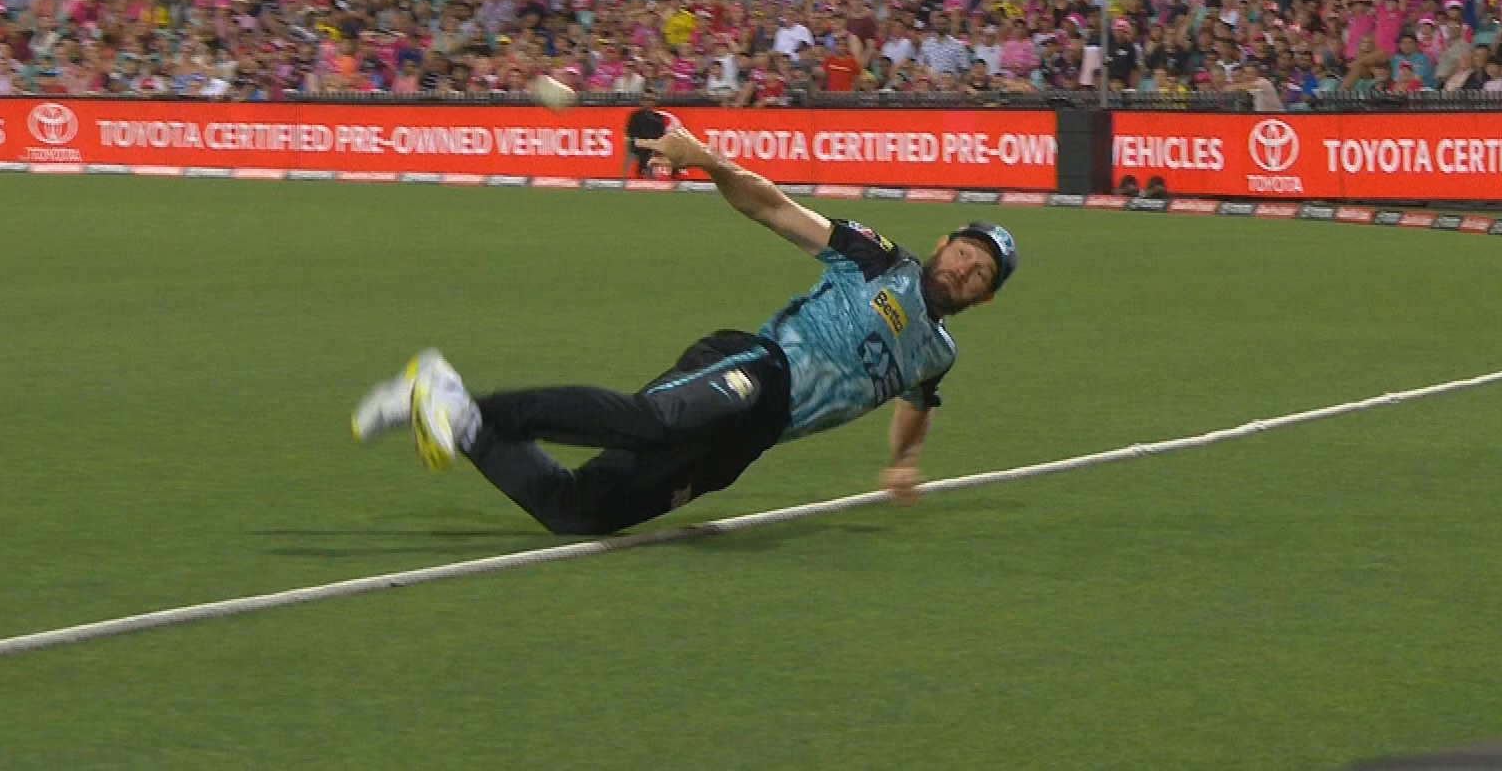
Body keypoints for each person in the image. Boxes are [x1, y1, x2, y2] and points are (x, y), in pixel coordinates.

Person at [351, 125, 1018, 535]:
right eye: (964, 251)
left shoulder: (938, 352)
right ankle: (447, 398)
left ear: (984, 298)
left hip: (749, 443)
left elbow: (917, 405)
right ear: (942, 243)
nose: (964, 269)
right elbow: (773, 208)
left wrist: (903, 462)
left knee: (579, 513)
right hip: (758, 370)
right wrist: (707, 158)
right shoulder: (880, 259)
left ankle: (458, 416)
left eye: (980, 271)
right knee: (652, 421)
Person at [621, 89, 669, 178]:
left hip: (654, 144)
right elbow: (630, 133)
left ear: (654, 102)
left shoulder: (658, 117)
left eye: (650, 100)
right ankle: (643, 172)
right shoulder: (635, 116)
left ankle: (648, 173)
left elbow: (661, 133)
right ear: (641, 101)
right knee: (644, 150)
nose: (647, 102)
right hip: (638, 143)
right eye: (645, 99)